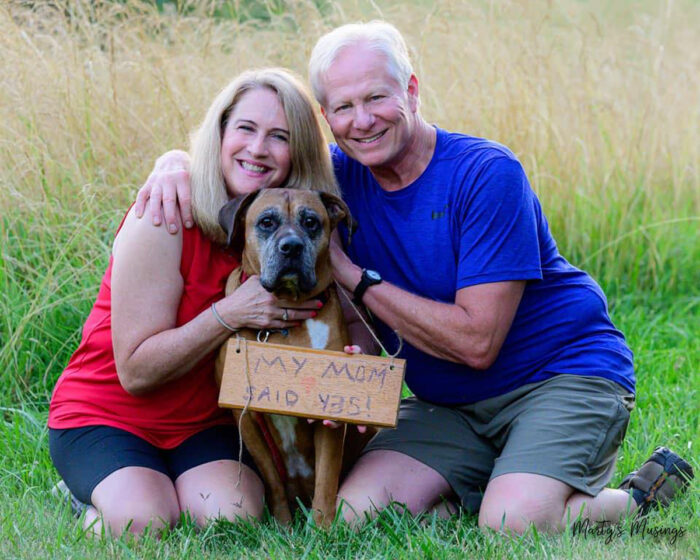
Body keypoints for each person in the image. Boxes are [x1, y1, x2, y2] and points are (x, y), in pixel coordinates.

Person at [136, 22, 693, 533]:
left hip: (557, 376)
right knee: (357, 518)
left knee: (513, 524)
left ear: (411, 91)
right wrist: (175, 163)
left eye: (377, 97)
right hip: (445, 404)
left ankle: (635, 498)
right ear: (327, 119)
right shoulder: (337, 181)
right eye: (344, 106)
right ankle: (497, 482)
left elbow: (477, 343)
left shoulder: (486, 174)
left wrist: (351, 274)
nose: (364, 119)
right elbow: (255, 168)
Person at [48, 68, 339, 536]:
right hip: (108, 414)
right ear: (219, 134)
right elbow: (136, 372)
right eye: (245, 128)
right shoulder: (164, 213)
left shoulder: (286, 229)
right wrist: (228, 314)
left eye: (279, 137)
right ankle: (88, 496)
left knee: (234, 517)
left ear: (298, 152)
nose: (258, 148)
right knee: (144, 520)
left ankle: (153, 484)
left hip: (203, 423)